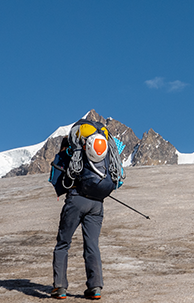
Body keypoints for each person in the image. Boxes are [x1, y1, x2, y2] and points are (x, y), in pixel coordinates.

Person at [50, 120, 118, 300]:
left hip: (77, 200)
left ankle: (60, 287)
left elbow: (59, 177)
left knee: (63, 243)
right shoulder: (103, 154)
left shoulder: (72, 151)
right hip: (97, 202)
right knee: (92, 244)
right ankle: (95, 287)